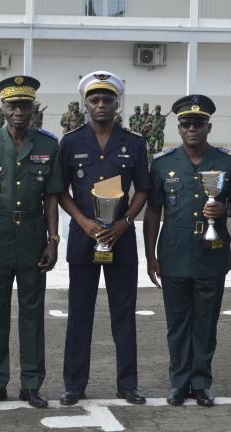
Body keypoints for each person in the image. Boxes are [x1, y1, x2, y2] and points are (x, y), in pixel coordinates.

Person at [143, 94, 231, 407]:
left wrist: (225, 209)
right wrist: (150, 256)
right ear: (178, 127)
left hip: (212, 255)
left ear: (208, 127)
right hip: (173, 255)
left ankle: (200, 383)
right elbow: (153, 212)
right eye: (186, 123)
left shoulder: (227, 163)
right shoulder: (162, 164)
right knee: (177, 324)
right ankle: (178, 383)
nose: (192, 128)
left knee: (205, 323)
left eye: (198, 123)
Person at [58, 71, 151, 406]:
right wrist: (82, 221)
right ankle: (74, 384)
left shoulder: (134, 142)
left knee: (123, 314)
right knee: (79, 314)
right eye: (94, 100)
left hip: (121, 239)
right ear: (86, 103)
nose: (100, 105)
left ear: (116, 104)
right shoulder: (70, 142)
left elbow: (143, 188)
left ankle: (127, 384)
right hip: (85, 239)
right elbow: (60, 191)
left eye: (107, 100)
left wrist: (126, 222)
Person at [0, 75, 62, 409]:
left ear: (33, 108)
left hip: (33, 237)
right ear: (2, 107)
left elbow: (51, 198)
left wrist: (53, 241)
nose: (19, 111)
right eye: (13, 105)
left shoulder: (48, 145)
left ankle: (31, 383)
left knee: (32, 312)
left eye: (25, 105)